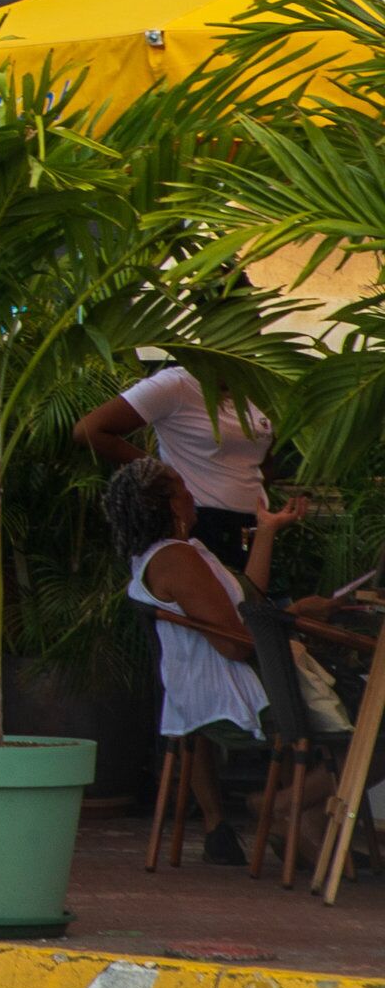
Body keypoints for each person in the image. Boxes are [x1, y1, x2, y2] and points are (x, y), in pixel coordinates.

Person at [104, 455, 325, 868]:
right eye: (184, 487)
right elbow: (236, 644)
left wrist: (267, 531)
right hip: (237, 700)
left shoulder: (182, 551)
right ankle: (281, 806)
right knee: (369, 731)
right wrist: (292, 623)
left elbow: (249, 600)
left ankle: (298, 820)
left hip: (197, 698)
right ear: (171, 503)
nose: (192, 494)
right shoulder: (175, 558)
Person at [78, 364, 270, 562]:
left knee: (247, 590)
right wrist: (162, 473)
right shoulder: (175, 384)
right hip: (201, 520)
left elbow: (262, 458)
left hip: (252, 525)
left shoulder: (255, 387)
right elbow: (89, 430)